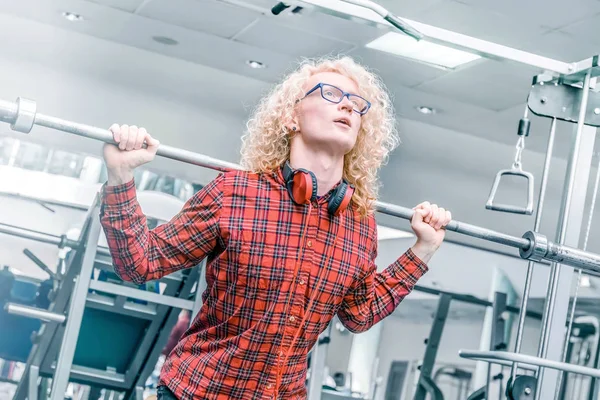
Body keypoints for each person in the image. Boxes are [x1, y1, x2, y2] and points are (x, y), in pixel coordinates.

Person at [99, 56, 452, 400]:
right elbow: (139, 263)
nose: (347, 106)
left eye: (357, 104)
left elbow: (360, 316)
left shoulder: (360, 225)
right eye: (330, 94)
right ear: (291, 115)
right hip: (198, 391)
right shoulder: (234, 193)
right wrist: (120, 176)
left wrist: (423, 249)